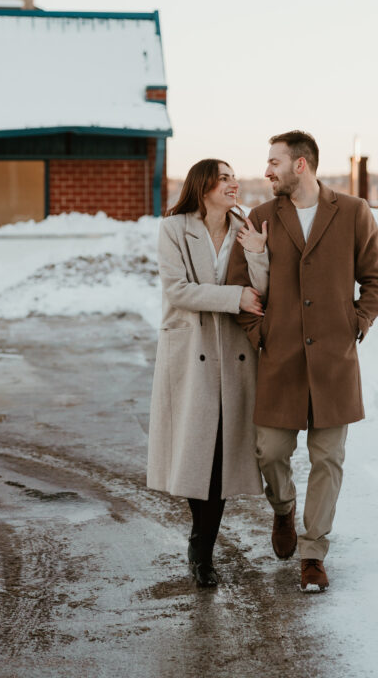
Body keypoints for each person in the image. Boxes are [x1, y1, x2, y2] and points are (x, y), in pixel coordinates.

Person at [227, 130, 378, 592]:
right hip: (280, 360)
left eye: (274, 162)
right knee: (269, 452)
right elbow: (241, 287)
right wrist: (261, 334)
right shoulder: (261, 217)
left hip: (334, 362)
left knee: (328, 459)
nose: (267, 171)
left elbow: (377, 279)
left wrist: (356, 322)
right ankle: (283, 508)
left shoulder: (353, 212)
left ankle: (313, 552)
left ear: (300, 165)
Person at [147, 159, 269, 587]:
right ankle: (201, 542)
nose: (234, 184)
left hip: (236, 352)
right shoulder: (174, 229)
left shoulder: (245, 228)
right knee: (194, 450)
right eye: (225, 178)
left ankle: (202, 550)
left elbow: (262, 290)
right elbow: (178, 290)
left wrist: (257, 253)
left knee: (221, 453)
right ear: (203, 186)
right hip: (190, 349)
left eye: (235, 177)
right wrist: (235, 297)